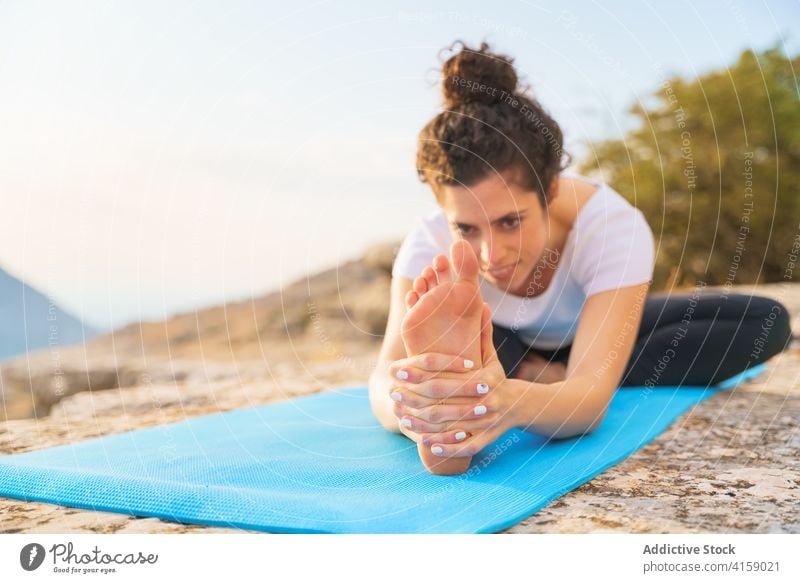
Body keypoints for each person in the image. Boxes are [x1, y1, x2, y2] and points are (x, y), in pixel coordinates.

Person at [367, 41, 793, 476]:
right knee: (489, 360)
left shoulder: (611, 226)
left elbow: (588, 409)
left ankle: (539, 379)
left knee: (765, 322)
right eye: (466, 229)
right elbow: (383, 382)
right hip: (501, 345)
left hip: (592, 327)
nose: (490, 255)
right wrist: (414, 407)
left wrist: (508, 400)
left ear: (550, 190)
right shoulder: (428, 245)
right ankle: (480, 383)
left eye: (511, 221)